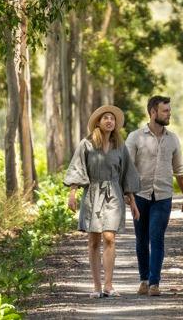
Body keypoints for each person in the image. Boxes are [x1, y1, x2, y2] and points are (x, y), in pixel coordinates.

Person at [62, 104, 132, 299]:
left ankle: (109, 285)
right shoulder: (87, 144)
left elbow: (127, 172)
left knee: (109, 237)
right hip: (92, 193)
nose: (109, 121)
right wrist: (72, 194)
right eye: (105, 118)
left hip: (114, 194)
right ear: (99, 122)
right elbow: (77, 167)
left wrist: (132, 201)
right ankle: (96, 286)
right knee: (93, 241)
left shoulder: (120, 145)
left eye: (112, 118)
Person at [124, 95, 183, 295]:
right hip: (140, 196)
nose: (169, 114)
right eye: (165, 111)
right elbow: (126, 168)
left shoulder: (173, 139)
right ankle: (144, 279)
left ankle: (154, 283)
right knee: (141, 239)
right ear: (153, 112)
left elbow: (180, 169)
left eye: (169, 110)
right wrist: (128, 194)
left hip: (163, 196)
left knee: (157, 237)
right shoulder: (135, 137)